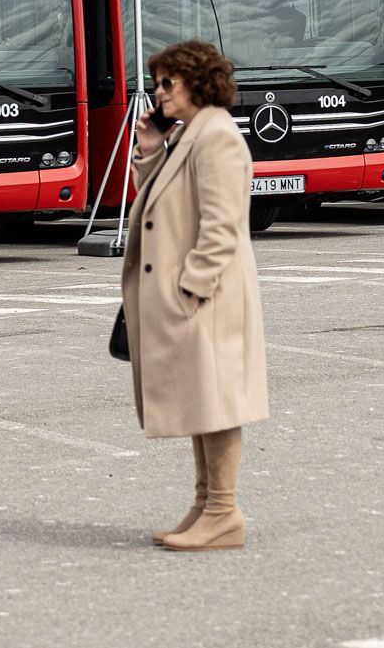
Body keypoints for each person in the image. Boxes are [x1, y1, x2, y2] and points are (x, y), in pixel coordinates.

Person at [122, 39, 268, 551]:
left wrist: (192, 287)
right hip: (196, 297)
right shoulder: (192, 134)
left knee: (218, 401)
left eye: (168, 83)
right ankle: (207, 504)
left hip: (208, 296)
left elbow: (222, 225)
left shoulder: (217, 137)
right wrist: (150, 150)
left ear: (197, 83)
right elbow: (159, 201)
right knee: (201, 400)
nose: (158, 93)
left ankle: (224, 511)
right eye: (157, 83)